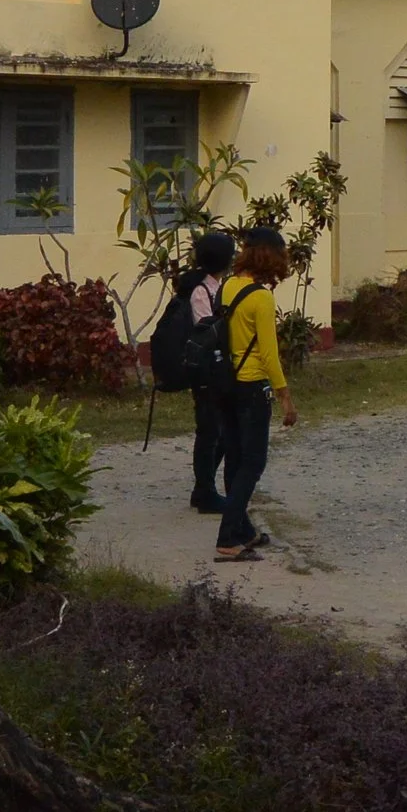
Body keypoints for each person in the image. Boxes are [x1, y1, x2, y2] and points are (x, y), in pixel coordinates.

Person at [213, 227, 299, 562]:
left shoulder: (227, 286)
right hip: (251, 386)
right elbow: (269, 356)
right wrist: (285, 397)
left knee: (235, 459)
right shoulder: (261, 297)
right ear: (271, 258)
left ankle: (243, 529)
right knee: (253, 463)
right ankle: (227, 538)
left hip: (225, 383)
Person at [180, 228, 238, 514]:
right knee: (209, 431)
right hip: (205, 371)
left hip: (218, 369)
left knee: (222, 431)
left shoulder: (216, 287)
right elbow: (207, 332)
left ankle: (203, 486)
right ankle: (204, 491)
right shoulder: (201, 292)